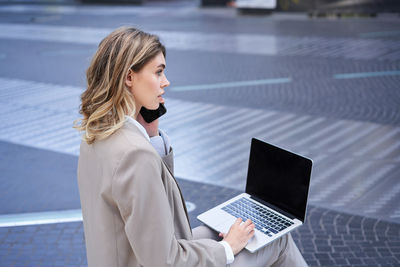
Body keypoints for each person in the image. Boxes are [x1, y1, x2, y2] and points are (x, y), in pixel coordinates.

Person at [75, 26, 308, 267]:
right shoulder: (135, 154)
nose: (166, 82)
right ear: (129, 77)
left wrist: (151, 134)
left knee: (249, 233)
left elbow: (149, 214)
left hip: (132, 254)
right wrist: (227, 247)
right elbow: (164, 261)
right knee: (275, 242)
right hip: (160, 259)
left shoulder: (96, 135)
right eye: (158, 72)